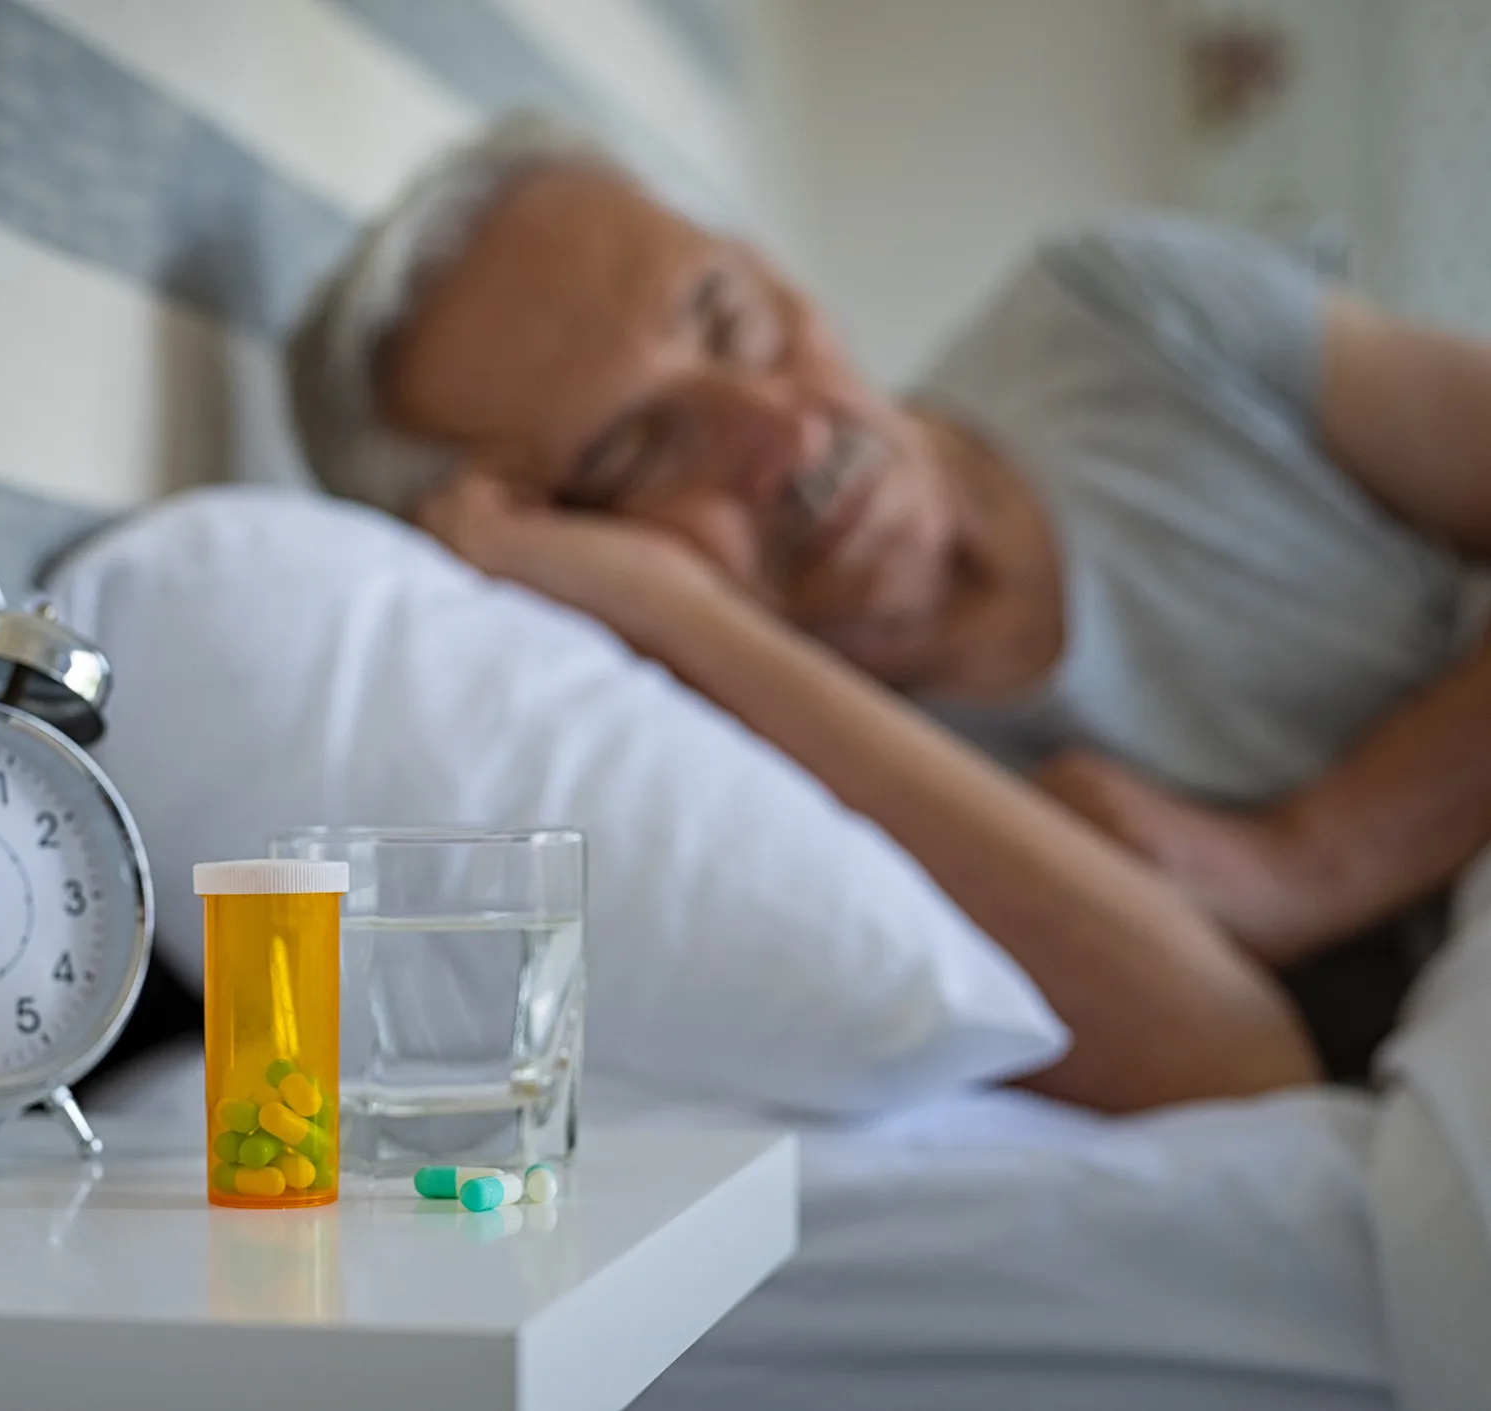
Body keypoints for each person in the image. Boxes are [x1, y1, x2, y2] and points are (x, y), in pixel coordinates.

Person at [285, 114, 1491, 1112]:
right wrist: (693, 622)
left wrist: (1303, 860)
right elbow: (1229, 1059)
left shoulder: (1124, 317)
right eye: (639, 449)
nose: (780, 434)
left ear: (770, 263)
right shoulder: (750, 800)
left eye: (727, 318)